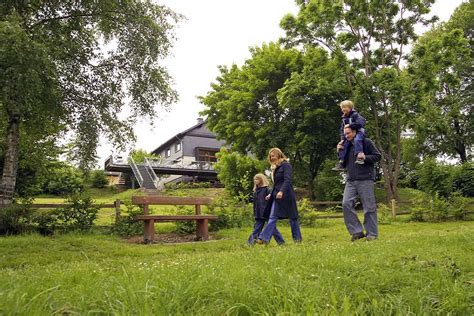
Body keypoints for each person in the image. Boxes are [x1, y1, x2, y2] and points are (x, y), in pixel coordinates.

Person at [337, 126, 381, 241]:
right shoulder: (346, 145)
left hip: (365, 178)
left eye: (349, 133)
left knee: (369, 207)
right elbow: (344, 162)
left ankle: (372, 234)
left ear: (355, 131)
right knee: (346, 203)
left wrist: (365, 157)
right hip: (351, 180)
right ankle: (357, 232)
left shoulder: (366, 142)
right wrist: (339, 151)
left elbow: (378, 156)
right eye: (345, 134)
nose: (347, 135)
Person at [256, 148, 302, 244]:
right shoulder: (275, 168)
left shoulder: (286, 165)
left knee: (293, 218)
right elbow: (276, 183)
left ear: (278, 155)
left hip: (287, 196)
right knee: (272, 217)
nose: (271, 158)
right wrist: (270, 194)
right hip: (276, 197)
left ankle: (297, 240)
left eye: (273, 155)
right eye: (270, 156)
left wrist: (281, 191)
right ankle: (263, 238)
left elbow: (287, 180)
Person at [247, 173, 285, 245]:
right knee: (256, 229)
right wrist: (255, 213)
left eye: (257, 179)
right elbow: (255, 205)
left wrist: (270, 195)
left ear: (261, 180)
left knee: (273, 229)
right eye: (254, 179)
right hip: (258, 213)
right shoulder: (255, 192)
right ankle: (250, 243)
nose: (255, 181)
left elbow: (272, 195)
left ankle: (281, 242)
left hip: (267, 212)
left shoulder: (267, 189)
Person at [333, 100, 367, 171]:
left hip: (359, 132)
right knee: (342, 145)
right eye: (342, 108)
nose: (343, 109)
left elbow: (361, 123)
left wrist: (351, 125)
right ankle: (342, 161)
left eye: (345, 107)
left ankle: (359, 156)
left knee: (357, 140)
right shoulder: (344, 119)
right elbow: (342, 130)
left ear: (350, 108)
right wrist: (342, 139)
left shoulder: (355, 115)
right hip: (349, 134)